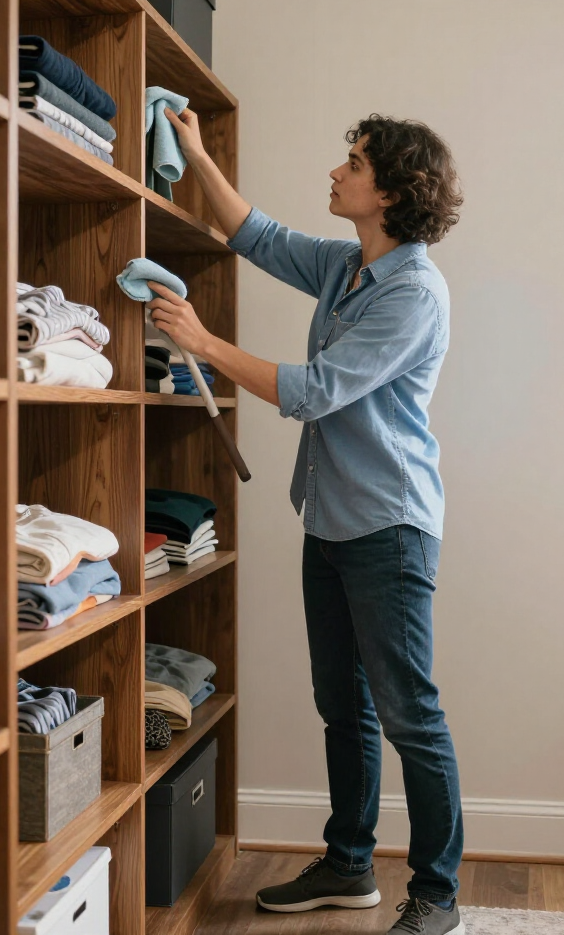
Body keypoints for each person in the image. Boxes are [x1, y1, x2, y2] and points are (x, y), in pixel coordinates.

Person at [148, 108, 465, 935]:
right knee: (343, 705)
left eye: (352, 162)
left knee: (410, 715)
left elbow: (315, 390)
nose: (336, 171)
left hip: (389, 528)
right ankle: (350, 865)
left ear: (392, 190)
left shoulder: (414, 292)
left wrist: (204, 342)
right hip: (330, 519)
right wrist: (194, 151)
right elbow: (254, 234)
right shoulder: (346, 267)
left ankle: (437, 896)